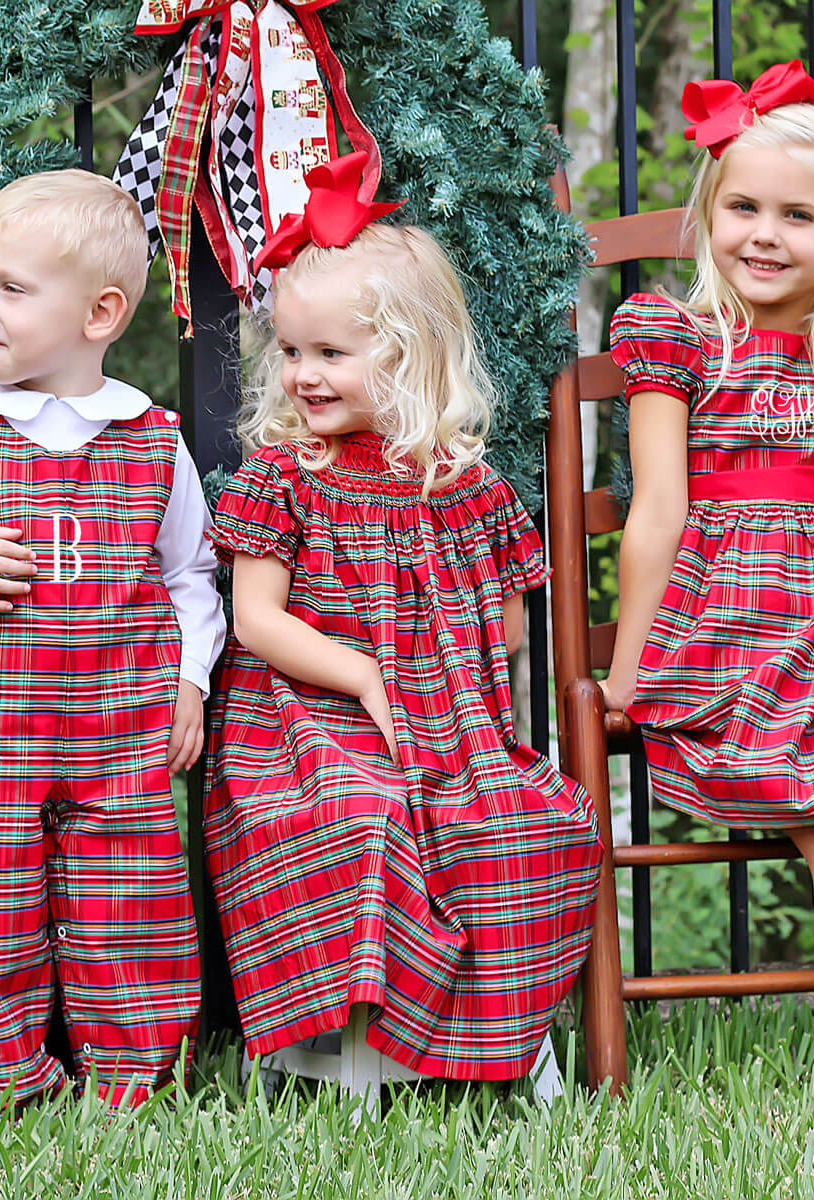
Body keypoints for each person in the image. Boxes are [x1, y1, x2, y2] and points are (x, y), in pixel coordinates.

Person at [599, 62, 814, 1139]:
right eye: (743, 208)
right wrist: (630, 665)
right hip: (732, 625)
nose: (764, 235)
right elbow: (656, 511)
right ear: (710, 214)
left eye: (798, 216)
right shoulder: (676, 340)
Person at [203, 153, 603, 1084]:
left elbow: (506, 629)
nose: (303, 374)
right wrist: (370, 674)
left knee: (524, 815)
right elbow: (257, 621)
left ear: (411, 355)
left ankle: (479, 1048)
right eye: (292, 352)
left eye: (332, 354)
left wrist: (449, 696)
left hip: (447, 725)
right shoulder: (283, 478)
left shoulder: (467, 485)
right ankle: (368, 1053)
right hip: (300, 729)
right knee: (364, 817)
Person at [0, 169, 225, 1106]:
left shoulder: (151, 438)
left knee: (130, 907)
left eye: (12, 289)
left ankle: (133, 1084)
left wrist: (189, 682)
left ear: (100, 312)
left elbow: (189, 574)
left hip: (121, 730)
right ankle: (5, 1078)